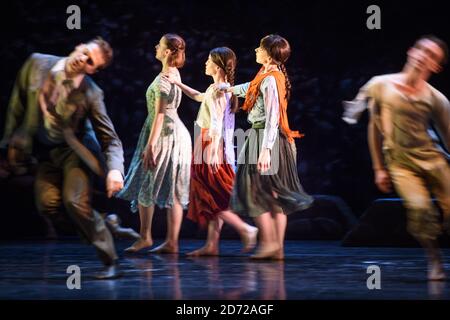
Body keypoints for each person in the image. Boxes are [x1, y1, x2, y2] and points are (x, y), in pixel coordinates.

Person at [1, 37, 125, 279]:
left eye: (90, 62)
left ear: (93, 70)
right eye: (85, 52)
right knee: (47, 206)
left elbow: (110, 138)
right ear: (79, 45)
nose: (83, 59)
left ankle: (110, 260)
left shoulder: (91, 93)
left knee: (74, 201)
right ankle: (106, 224)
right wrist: (8, 142)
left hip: (74, 151)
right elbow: (16, 105)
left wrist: (115, 170)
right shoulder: (36, 63)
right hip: (44, 151)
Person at [343, 35, 450, 280]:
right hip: (401, 163)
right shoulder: (381, 85)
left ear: (436, 66)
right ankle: (434, 258)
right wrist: (379, 168)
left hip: (434, 159)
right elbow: (374, 127)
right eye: (422, 49)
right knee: (420, 210)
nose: (424, 56)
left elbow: (448, 135)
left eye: (432, 55)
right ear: (411, 50)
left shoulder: (436, 99)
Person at [219, 35, 313, 260]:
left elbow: (273, 117)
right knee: (272, 194)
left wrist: (265, 150)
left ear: (269, 55)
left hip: (266, 137)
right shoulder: (267, 75)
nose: (255, 50)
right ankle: (277, 248)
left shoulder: (271, 79)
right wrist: (228, 89)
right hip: (267, 137)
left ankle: (270, 242)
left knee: (255, 191)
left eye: (259, 48)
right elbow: (250, 88)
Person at [164, 47, 258, 256]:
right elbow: (198, 96)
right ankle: (212, 244)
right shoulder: (218, 88)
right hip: (208, 140)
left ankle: (245, 228)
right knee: (212, 193)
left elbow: (216, 121)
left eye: (208, 60)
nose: (205, 63)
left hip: (209, 142)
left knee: (210, 193)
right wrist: (177, 83)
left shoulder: (219, 89)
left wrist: (214, 150)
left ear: (217, 65)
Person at [117, 34, 192, 254]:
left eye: (159, 45)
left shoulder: (163, 79)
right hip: (176, 132)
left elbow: (159, 115)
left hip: (164, 134)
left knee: (146, 181)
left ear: (168, 51)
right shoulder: (173, 74)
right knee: (173, 189)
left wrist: (150, 146)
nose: (156, 47)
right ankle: (171, 241)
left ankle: (146, 237)